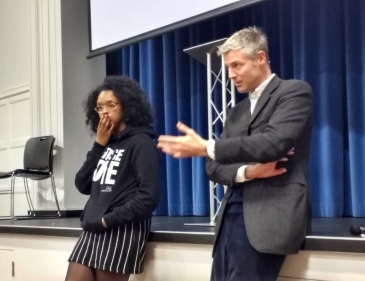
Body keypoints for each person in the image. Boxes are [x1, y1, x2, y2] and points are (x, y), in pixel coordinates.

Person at [157, 26, 313, 281]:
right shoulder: (236, 112)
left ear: (260, 58)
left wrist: (208, 146)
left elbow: (273, 143)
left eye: (237, 65)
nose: (230, 75)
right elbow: (213, 167)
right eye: (228, 67)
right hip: (230, 215)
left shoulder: (293, 92)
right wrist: (249, 171)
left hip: (268, 216)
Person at [66, 76, 160, 281]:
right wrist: (99, 145)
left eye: (111, 105)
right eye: (99, 107)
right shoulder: (105, 142)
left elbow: (148, 197)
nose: (105, 111)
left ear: (127, 106)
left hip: (121, 230)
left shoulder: (141, 142)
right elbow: (82, 184)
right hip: (92, 230)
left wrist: (106, 220)